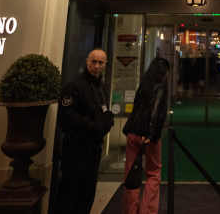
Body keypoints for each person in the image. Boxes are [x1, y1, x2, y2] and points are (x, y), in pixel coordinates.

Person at [55, 49, 115, 214]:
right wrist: (93, 126)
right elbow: (67, 117)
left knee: (87, 192)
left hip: (94, 149)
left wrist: (107, 122)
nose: (96, 66)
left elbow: (104, 111)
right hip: (75, 149)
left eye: (100, 62)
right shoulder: (74, 86)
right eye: (93, 62)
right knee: (70, 191)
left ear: (105, 64)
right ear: (87, 62)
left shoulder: (102, 87)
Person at [122, 57, 170, 214]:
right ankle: (147, 211)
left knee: (131, 173)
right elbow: (157, 112)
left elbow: (136, 108)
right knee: (153, 173)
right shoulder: (161, 86)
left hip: (133, 132)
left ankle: (131, 210)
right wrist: (151, 133)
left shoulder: (144, 83)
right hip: (148, 135)